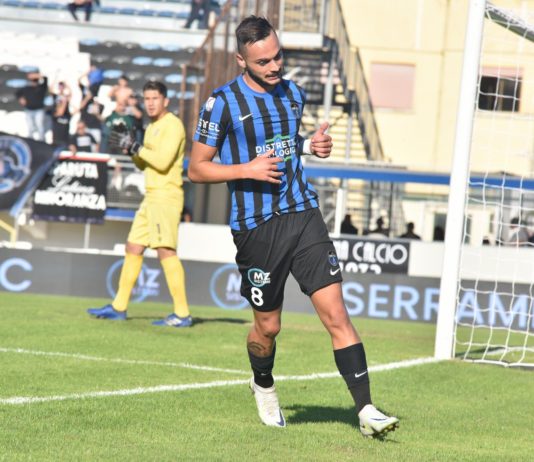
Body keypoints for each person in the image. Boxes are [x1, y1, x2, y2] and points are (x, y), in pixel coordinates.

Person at [187, 16, 398, 437]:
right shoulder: (222, 103)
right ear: (241, 61)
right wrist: (246, 169)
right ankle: (263, 383)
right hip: (256, 227)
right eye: (263, 61)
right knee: (268, 327)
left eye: (278, 56)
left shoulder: (293, 94)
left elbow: (286, 146)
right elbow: (196, 169)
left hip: (303, 215)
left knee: (336, 314)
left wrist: (312, 146)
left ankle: (366, 410)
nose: (275, 66)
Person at [87, 81, 192, 328]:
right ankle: (119, 307)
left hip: (166, 197)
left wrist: (137, 146)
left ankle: (182, 313)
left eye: (155, 98)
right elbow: (143, 164)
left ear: (165, 101)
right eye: (147, 98)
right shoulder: (152, 126)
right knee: (133, 247)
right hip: (151, 197)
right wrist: (131, 148)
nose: (151, 103)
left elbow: (163, 162)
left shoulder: (173, 125)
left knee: (165, 250)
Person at [15, 71, 48, 141]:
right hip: (29, 109)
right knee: (30, 126)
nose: (33, 82)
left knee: (39, 125)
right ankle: (30, 139)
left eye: (35, 81)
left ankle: (42, 139)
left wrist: (36, 75)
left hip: (39, 110)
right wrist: (21, 99)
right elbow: (17, 93)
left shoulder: (41, 87)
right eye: (32, 81)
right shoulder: (27, 88)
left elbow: (45, 78)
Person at [50, 81, 72, 146]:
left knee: (64, 130)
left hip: (65, 115)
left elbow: (70, 94)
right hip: (57, 115)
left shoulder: (65, 96)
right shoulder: (56, 96)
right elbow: (50, 90)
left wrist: (67, 85)